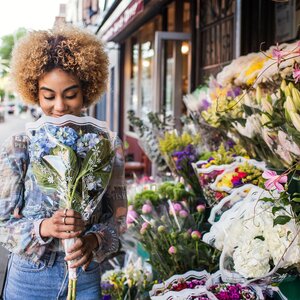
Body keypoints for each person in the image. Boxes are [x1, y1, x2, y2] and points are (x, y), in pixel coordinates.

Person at [0, 25, 127, 299]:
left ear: (87, 90)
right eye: (49, 96)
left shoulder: (107, 145)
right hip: (29, 278)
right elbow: (3, 224)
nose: (59, 106)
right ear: (34, 92)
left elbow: (117, 222)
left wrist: (94, 241)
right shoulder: (19, 147)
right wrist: (43, 228)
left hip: (84, 276)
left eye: (70, 95)